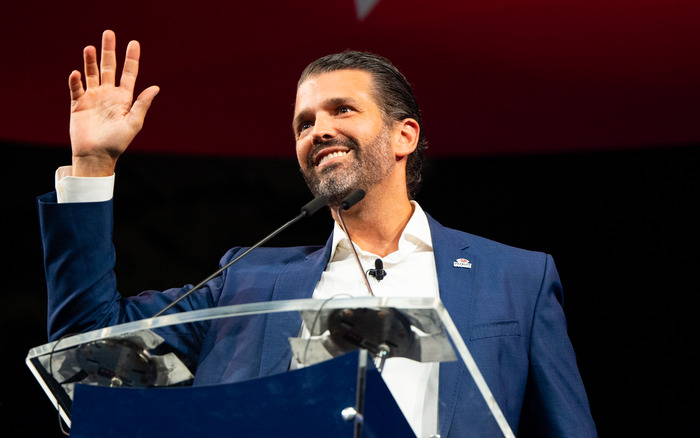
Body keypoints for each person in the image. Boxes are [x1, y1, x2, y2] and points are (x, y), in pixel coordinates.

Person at [38, 30, 597, 437]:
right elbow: (87, 359)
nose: (318, 130)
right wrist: (92, 165)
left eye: (342, 110)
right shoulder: (248, 284)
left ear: (404, 136)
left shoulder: (515, 279)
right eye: (304, 123)